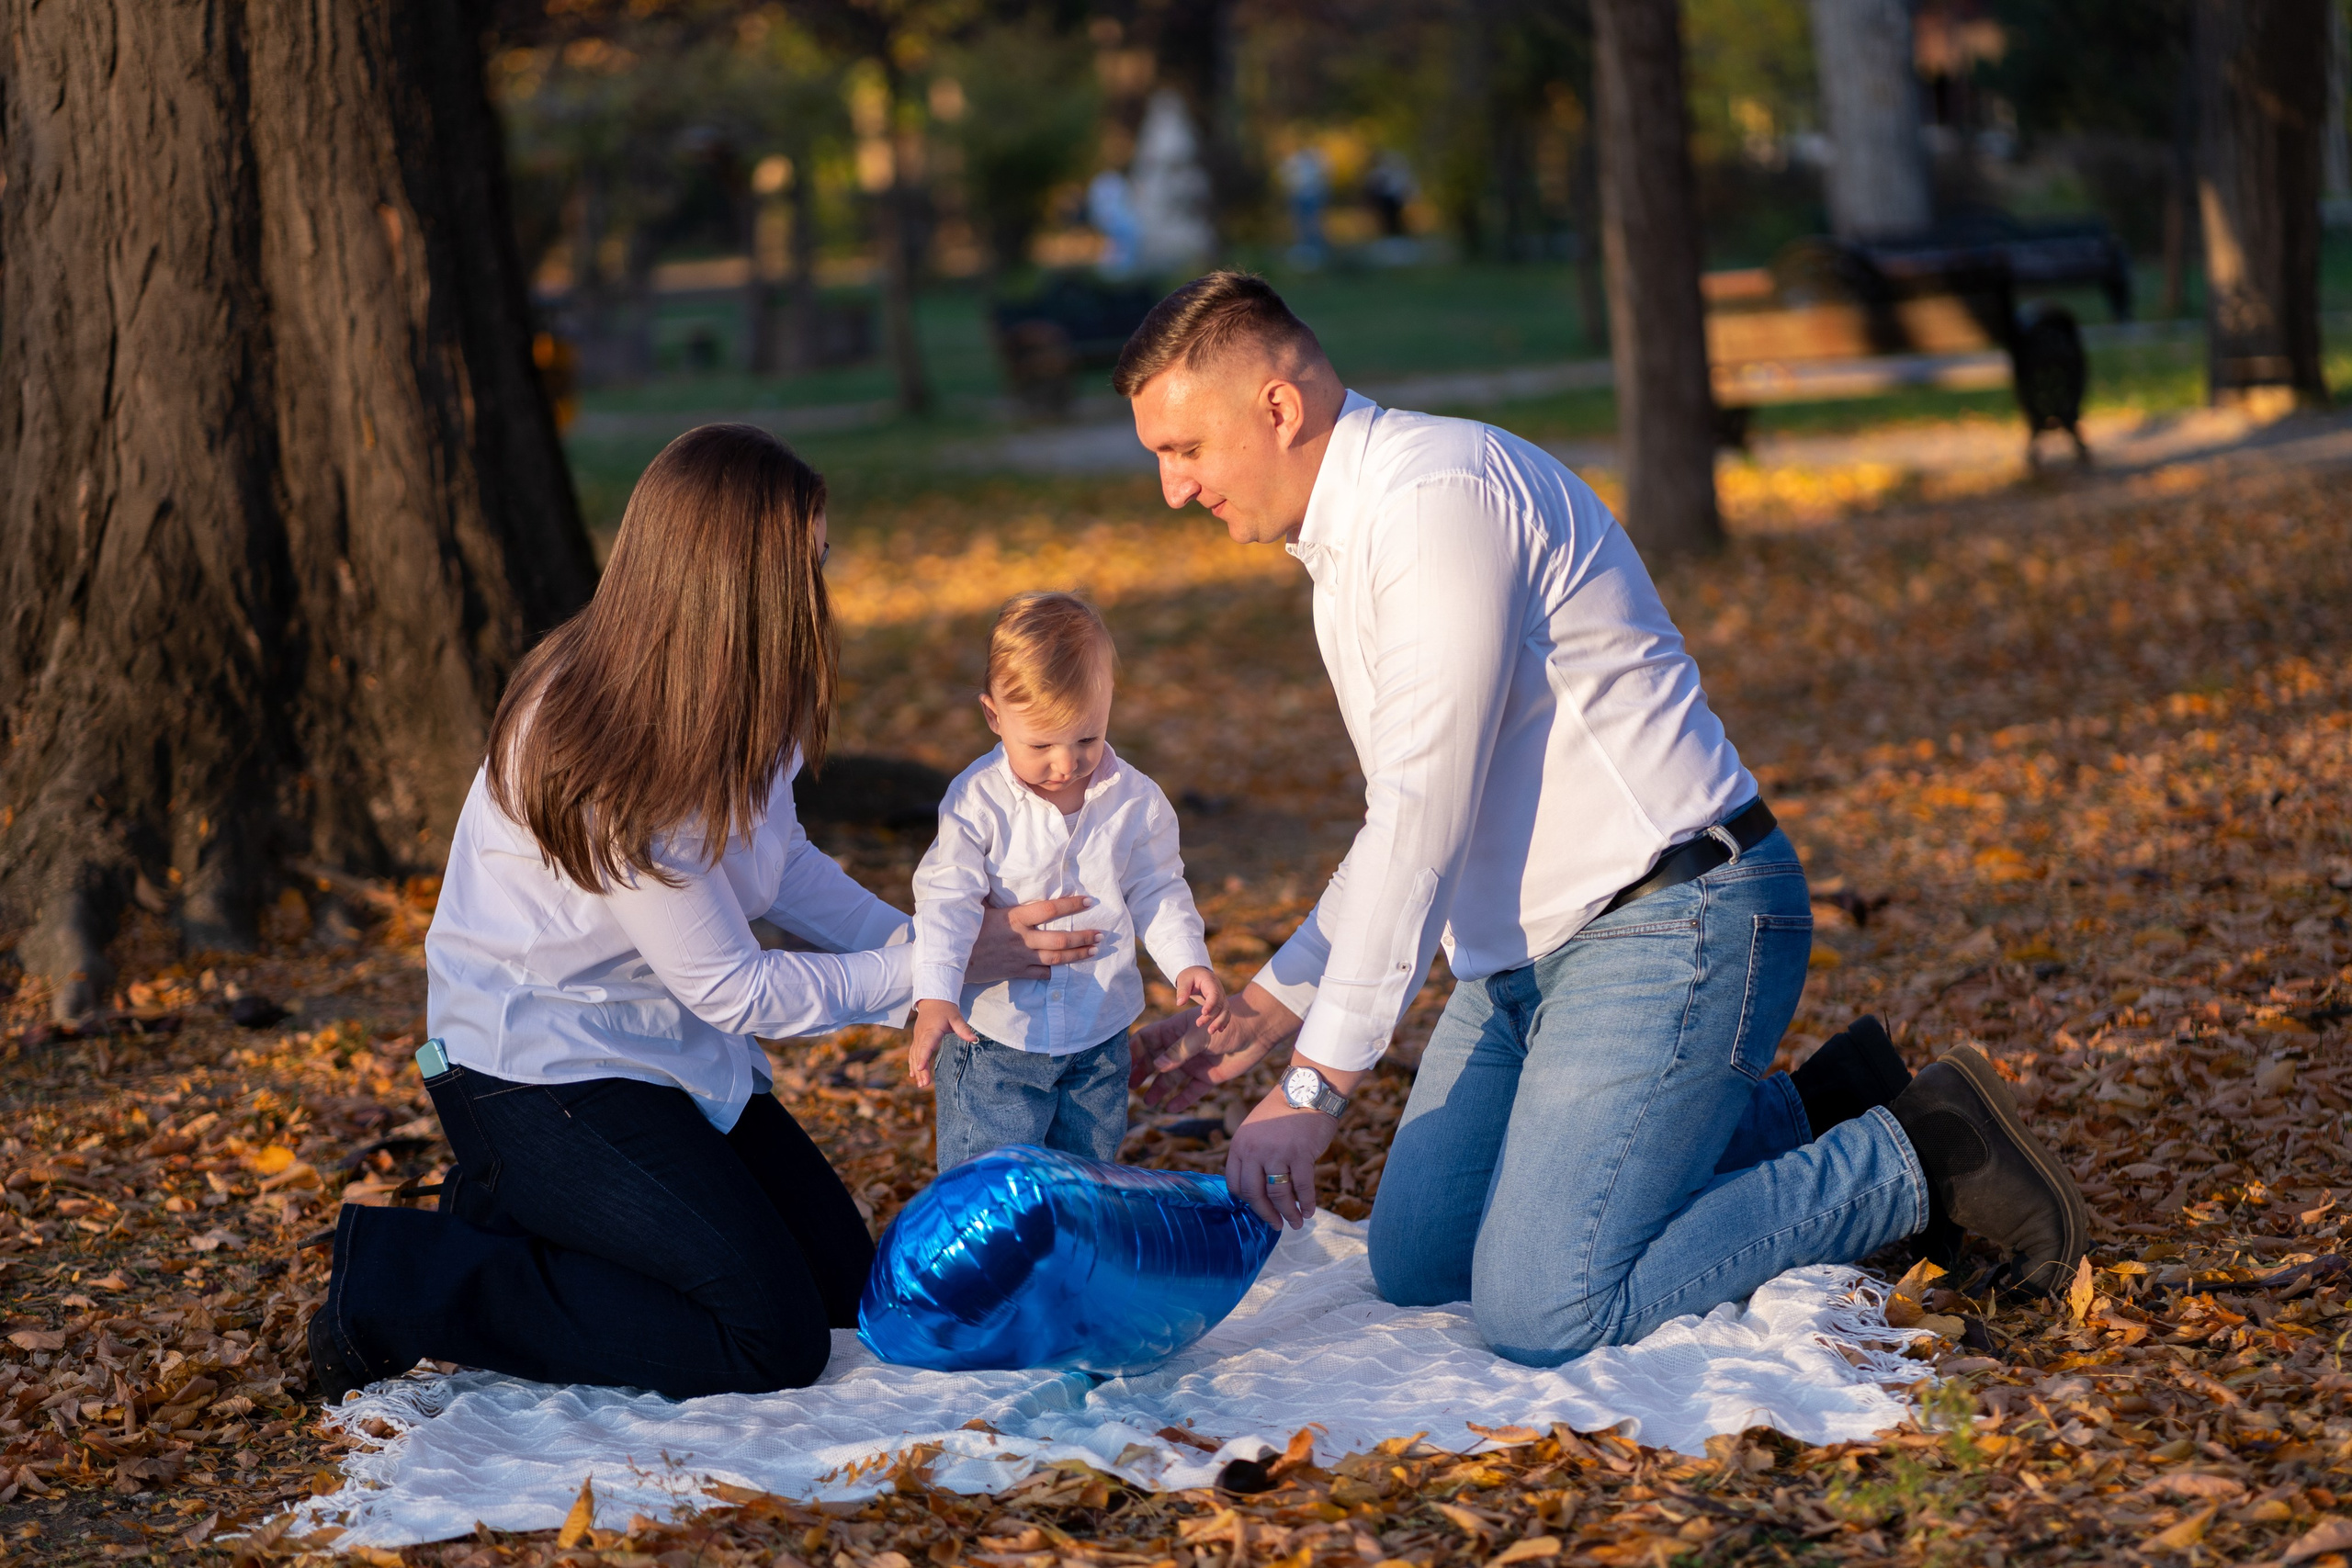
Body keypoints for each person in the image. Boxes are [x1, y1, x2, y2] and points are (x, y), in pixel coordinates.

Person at [1117, 273, 2089, 1367]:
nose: (1172, 487)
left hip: (1673, 920)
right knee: (1421, 1257)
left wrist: (1314, 1086)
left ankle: (1918, 1151)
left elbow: (1422, 815)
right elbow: (1402, 816)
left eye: (1183, 448)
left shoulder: (1435, 502)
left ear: (1278, 408)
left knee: (1546, 1308)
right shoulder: (1348, 548)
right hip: (1528, 966)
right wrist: (1268, 1005)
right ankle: (1808, 1111)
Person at [309, 424, 1101, 1402]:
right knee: (769, 1339)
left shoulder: (730, 694)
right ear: (736, 582)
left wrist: (928, 950)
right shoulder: (600, 740)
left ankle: (530, 1215)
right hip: (536, 1064)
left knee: (843, 1300)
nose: (821, 589)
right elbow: (732, 986)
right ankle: (409, 1284)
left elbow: (785, 864)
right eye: (806, 565)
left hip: (664, 1044)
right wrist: (936, 970)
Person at [908, 592, 1226, 1171]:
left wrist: (1187, 960)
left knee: (1086, 1172)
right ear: (993, 716)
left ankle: (1072, 1256)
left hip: (1098, 1032)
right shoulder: (976, 802)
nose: (1065, 763)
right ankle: (996, 1263)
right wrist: (935, 992)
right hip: (997, 1039)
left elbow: (1157, 886)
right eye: (1040, 745)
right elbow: (946, 900)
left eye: (1087, 738)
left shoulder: (1135, 800)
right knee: (992, 1177)